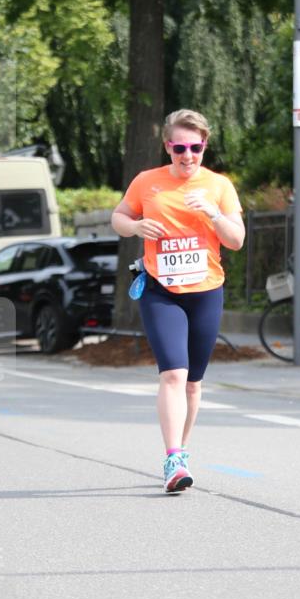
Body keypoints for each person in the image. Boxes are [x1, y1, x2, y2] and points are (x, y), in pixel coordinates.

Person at [111, 109, 245, 493]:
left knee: (193, 384)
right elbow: (118, 217)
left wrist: (215, 215)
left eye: (196, 148)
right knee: (173, 373)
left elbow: (236, 240)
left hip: (205, 292)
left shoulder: (219, 186)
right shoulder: (146, 182)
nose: (188, 156)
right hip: (160, 291)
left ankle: (181, 451)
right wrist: (135, 226)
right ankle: (172, 458)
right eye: (180, 148)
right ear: (168, 147)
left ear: (205, 146)